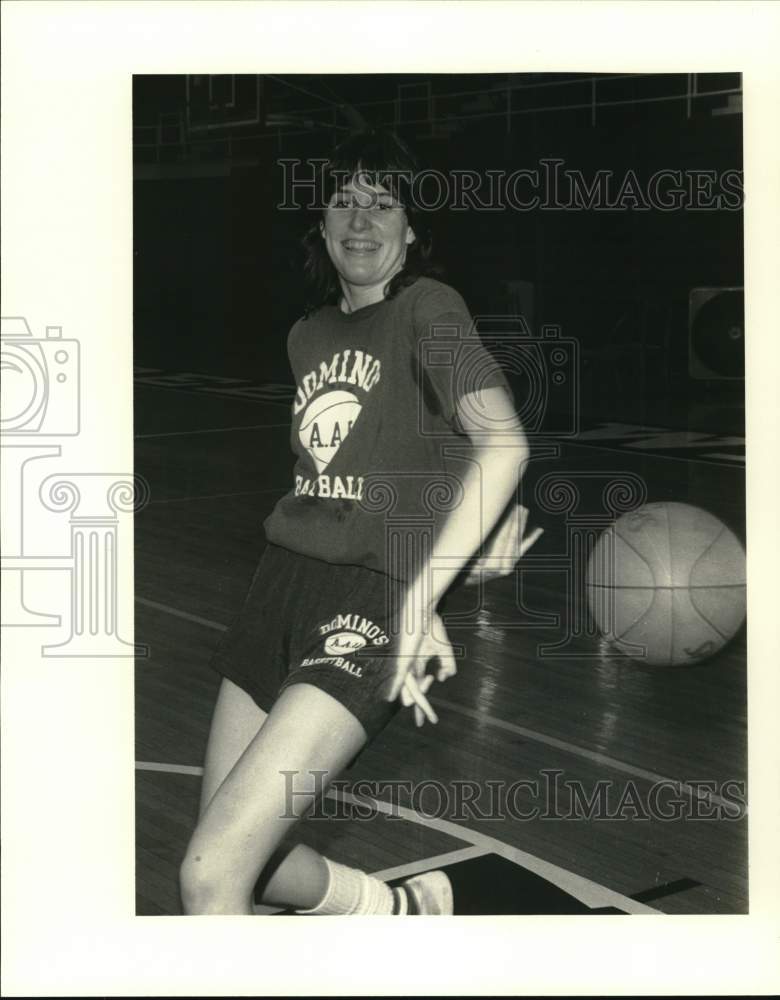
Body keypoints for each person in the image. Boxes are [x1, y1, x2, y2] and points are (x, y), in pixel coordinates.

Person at [179, 130, 542, 916]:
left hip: (370, 606)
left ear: (412, 231)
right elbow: (371, 464)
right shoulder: (306, 335)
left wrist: (422, 594)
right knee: (240, 854)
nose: (361, 218)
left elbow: (502, 442)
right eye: (344, 200)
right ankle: (392, 911)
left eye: (384, 204)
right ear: (319, 221)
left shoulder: (428, 308)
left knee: (210, 879)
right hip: (276, 591)